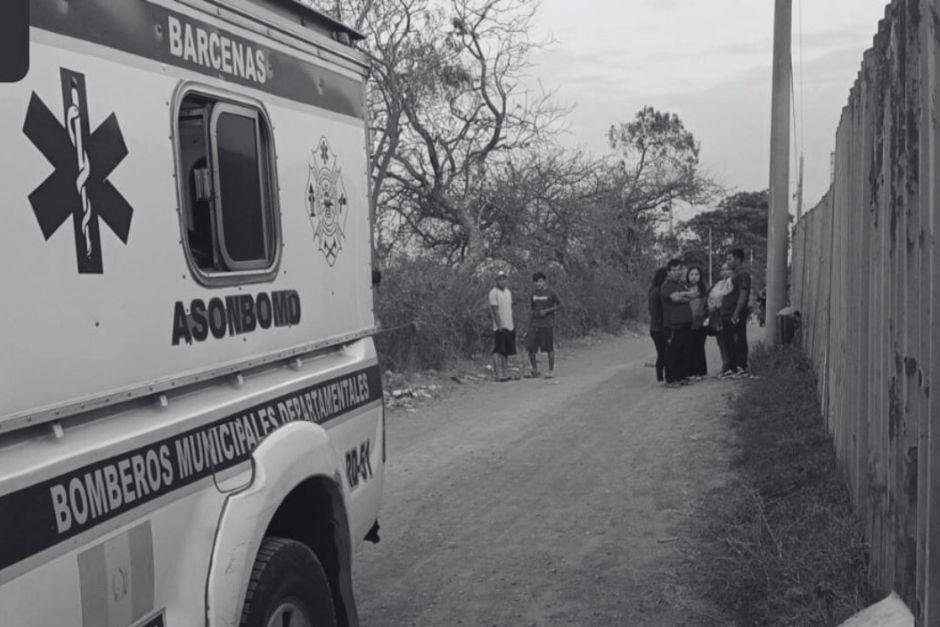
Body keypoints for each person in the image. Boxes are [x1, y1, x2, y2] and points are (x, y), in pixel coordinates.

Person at [660, 259, 697, 387]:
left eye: (679, 270)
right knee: (672, 352)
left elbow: (694, 295)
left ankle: (681, 377)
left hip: (685, 323)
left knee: (684, 351)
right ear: (669, 272)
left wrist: (682, 295)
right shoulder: (666, 285)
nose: (677, 272)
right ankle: (670, 380)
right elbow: (675, 298)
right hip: (672, 325)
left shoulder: (681, 284)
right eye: (674, 270)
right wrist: (685, 295)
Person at [524, 271, 562, 378]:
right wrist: (529, 326)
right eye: (536, 282)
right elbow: (533, 309)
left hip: (547, 324)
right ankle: (534, 370)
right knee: (531, 348)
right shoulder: (533, 294)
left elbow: (560, 305)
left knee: (549, 348)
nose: (538, 284)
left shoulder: (551, 292)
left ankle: (551, 371)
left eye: (540, 281)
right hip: (535, 324)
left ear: (544, 281)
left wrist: (548, 311)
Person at [723, 248, 751, 377]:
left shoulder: (743, 275)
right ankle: (732, 367)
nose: (727, 262)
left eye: (730, 259)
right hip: (728, 312)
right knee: (729, 340)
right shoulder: (734, 275)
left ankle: (741, 366)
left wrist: (736, 312)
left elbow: (743, 293)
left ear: (738, 260)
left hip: (736, 313)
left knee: (738, 339)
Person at [707, 263, 734, 376]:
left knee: (731, 341)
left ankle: (733, 366)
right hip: (718, 316)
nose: (724, 272)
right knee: (721, 342)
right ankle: (725, 365)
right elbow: (711, 297)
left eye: (727, 269)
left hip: (730, 316)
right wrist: (712, 306)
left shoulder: (733, 283)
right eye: (722, 269)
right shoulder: (719, 284)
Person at [489, 271, 515, 381]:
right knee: (498, 350)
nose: (502, 281)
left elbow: (509, 308)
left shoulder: (508, 292)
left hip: (509, 324)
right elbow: (494, 310)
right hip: (500, 326)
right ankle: (497, 374)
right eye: (500, 279)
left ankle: (505, 373)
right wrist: (499, 325)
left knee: (506, 351)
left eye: (504, 278)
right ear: (496, 280)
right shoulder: (493, 293)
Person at [685, 265, 709, 379]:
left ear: (700, 276)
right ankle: (691, 372)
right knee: (690, 347)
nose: (694, 277)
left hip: (701, 322)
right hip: (688, 322)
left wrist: (705, 317)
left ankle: (701, 372)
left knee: (699, 347)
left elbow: (708, 306)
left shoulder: (704, 290)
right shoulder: (684, 289)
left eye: (696, 274)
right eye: (691, 274)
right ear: (688, 276)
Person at [648, 267, 668, 383]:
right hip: (658, 327)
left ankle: (661, 376)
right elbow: (656, 311)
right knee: (662, 353)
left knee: (662, 352)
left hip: (655, 327)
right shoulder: (658, 292)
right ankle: (660, 376)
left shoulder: (653, 290)